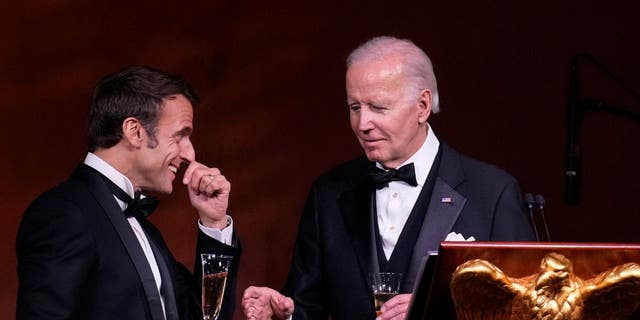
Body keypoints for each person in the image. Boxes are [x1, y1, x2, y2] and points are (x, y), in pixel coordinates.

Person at [242, 36, 535, 320]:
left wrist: (436, 311)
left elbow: (526, 310)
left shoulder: (494, 194)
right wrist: (285, 314)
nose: (362, 124)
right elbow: (306, 305)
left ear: (422, 106)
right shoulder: (328, 194)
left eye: (378, 107)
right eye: (354, 107)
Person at [16, 66, 240, 320]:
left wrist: (214, 222)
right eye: (179, 136)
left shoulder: (144, 230)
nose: (190, 154)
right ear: (134, 131)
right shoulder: (62, 214)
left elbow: (207, 317)